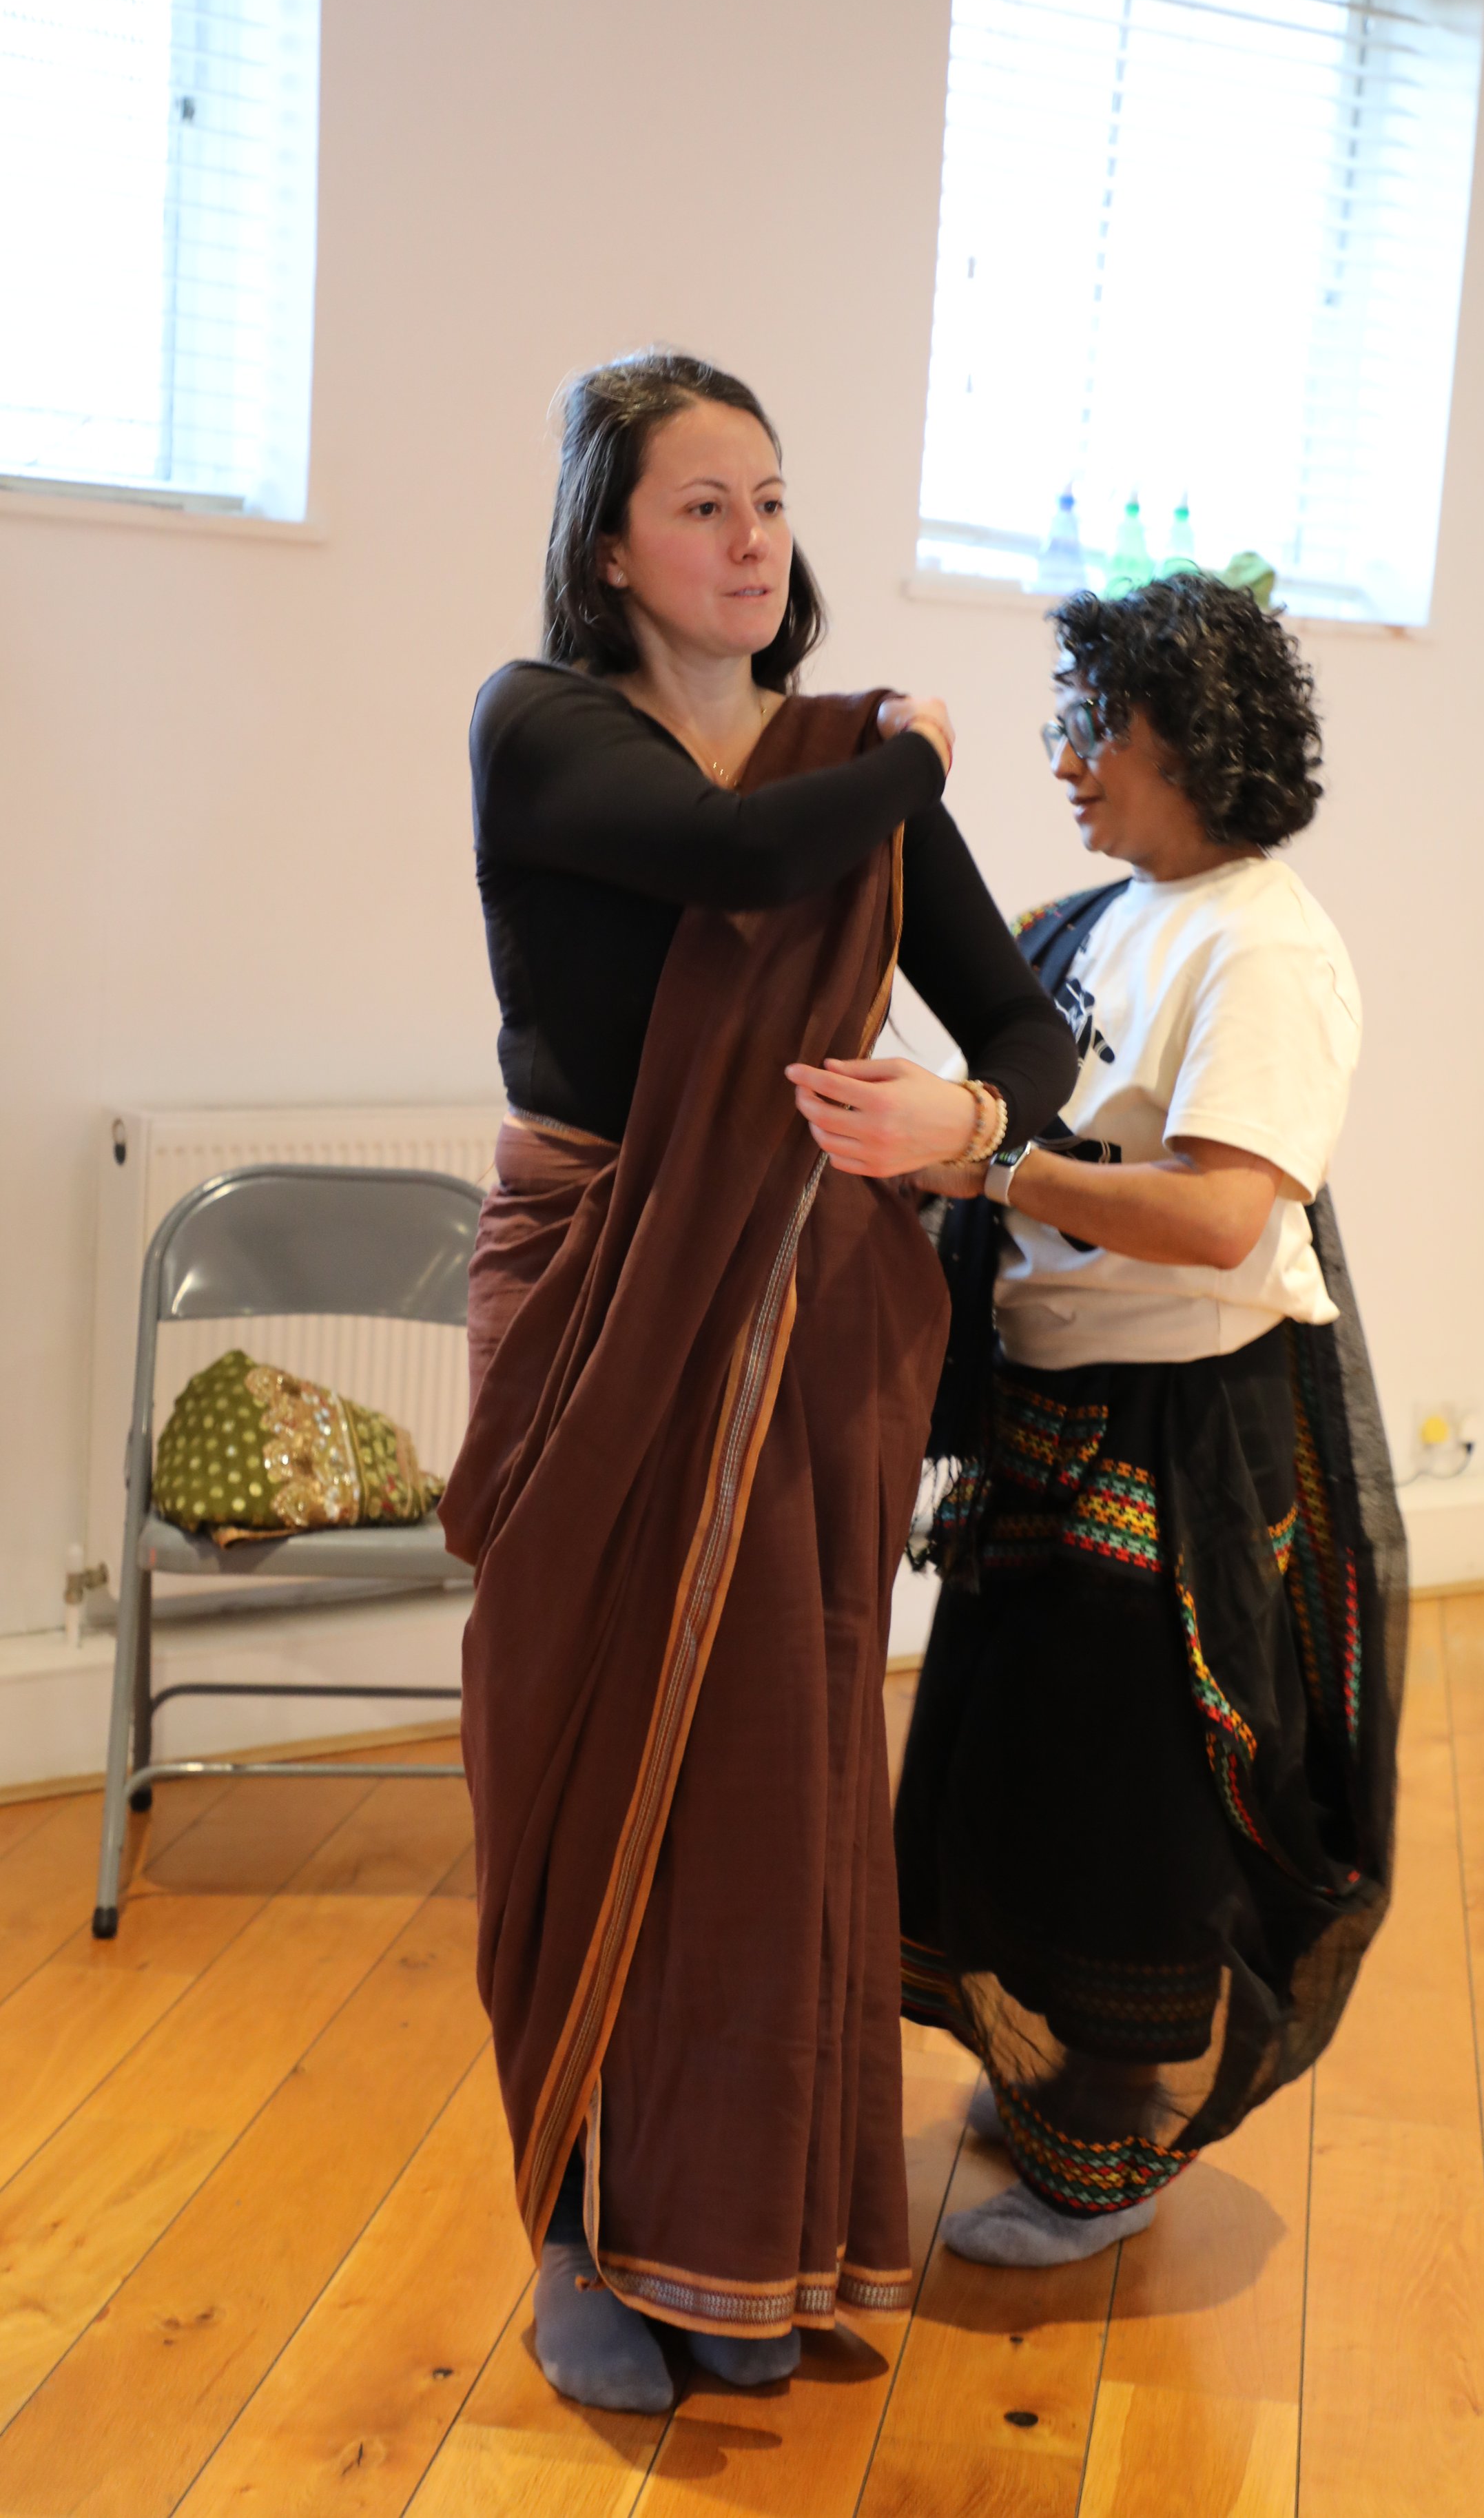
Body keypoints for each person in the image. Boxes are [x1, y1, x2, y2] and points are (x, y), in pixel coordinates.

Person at [438, 351, 1077, 2410]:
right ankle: (572, 2230)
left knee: (778, 1772)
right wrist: (916, 753)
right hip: (593, 1307)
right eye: (701, 503)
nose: (747, 538)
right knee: (576, 1755)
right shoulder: (542, 726)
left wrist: (964, 1114)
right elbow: (724, 865)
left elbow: (1022, 1022)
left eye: (771, 500)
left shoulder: (843, 759)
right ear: (607, 540)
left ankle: (746, 2238)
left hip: (803, 1329)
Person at [895, 573, 1405, 2267]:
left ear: (1185, 732)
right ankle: (1059, 2090)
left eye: (1085, 727)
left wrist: (976, 1157)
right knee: (1016, 1754)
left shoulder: (1266, 945)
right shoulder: (1115, 910)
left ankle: (1113, 2147)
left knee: (1133, 1802)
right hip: (1062, 1401)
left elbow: (1215, 1217)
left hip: (1177, 1423)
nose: (1060, 762)